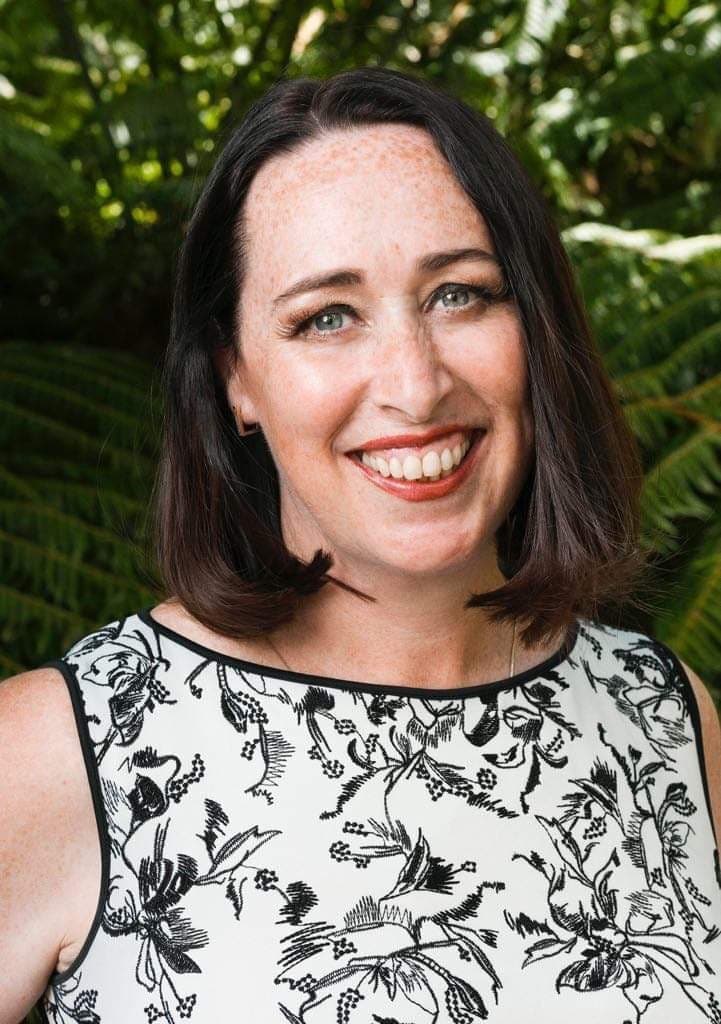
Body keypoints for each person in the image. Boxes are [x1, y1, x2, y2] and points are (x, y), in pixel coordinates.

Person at [2, 65, 720, 1024]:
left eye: (459, 294)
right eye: (326, 318)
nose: (415, 386)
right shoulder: (58, 751)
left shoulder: (663, 716)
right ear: (235, 378)